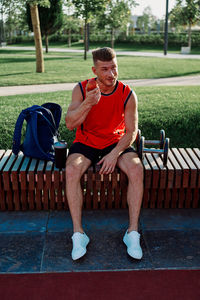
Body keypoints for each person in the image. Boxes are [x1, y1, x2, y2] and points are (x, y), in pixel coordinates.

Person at [65, 47, 144, 261]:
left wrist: (115, 153)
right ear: (95, 70)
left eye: (114, 68)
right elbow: (70, 123)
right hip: (86, 142)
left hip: (115, 142)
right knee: (71, 170)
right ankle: (78, 234)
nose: (111, 74)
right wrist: (88, 103)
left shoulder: (127, 93)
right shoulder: (81, 89)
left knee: (137, 168)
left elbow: (132, 131)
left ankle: (133, 233)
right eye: (105, 69)